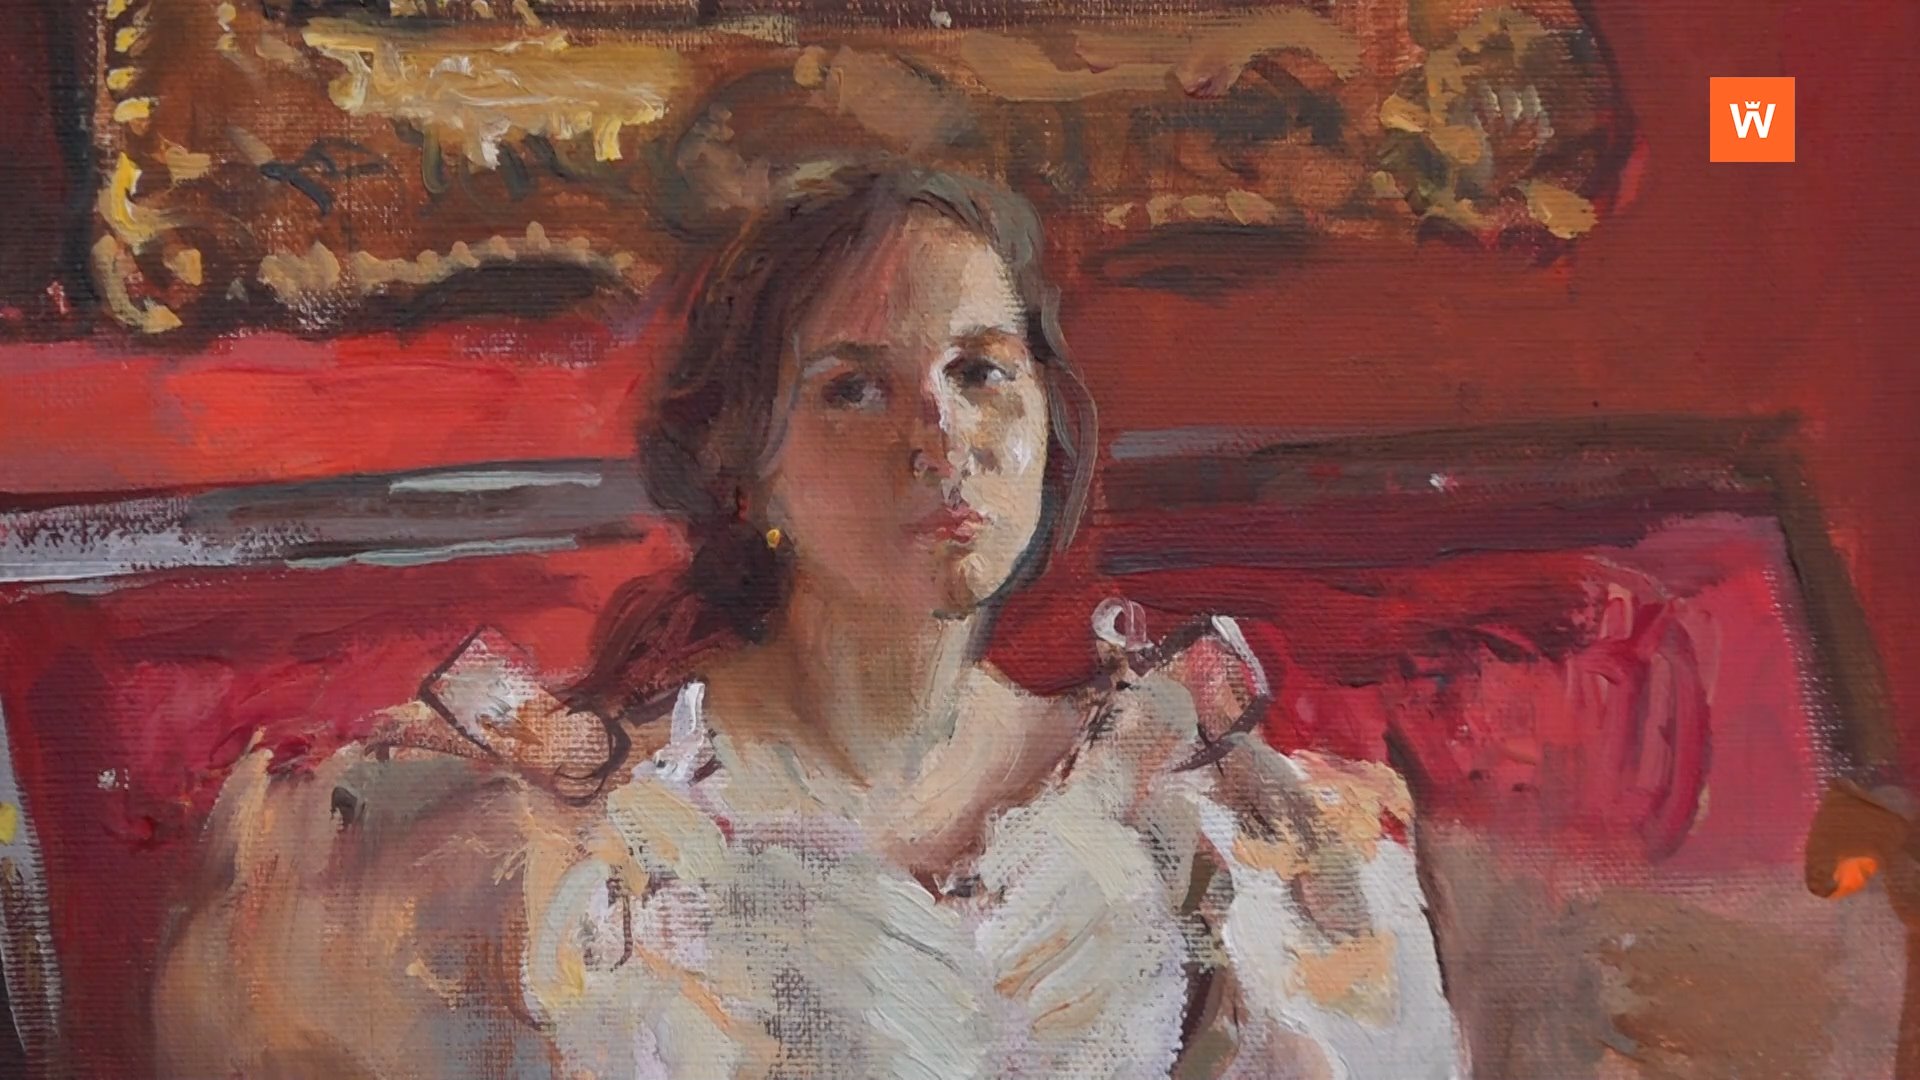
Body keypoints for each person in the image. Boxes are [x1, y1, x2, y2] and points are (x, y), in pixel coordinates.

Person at [153, 162, 1466, 1079]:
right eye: (854, 389)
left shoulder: (1177, 801)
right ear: (748, 469)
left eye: (979, 372)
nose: (940, 439)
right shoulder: (587, 836)